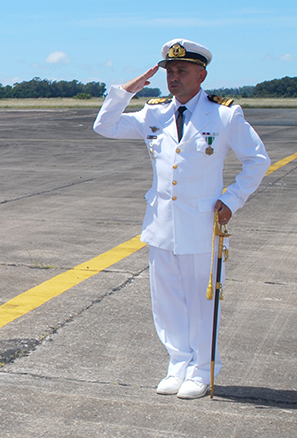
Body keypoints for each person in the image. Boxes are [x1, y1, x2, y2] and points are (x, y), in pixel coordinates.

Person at [93, 38, 270, 399]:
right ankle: (177, 364)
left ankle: (202, 370)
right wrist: (128, 90)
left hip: (202, 225)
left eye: (182, 71)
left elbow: (257, 160)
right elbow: (105, 126)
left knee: (202, 302)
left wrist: (231, 199)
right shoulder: (153, 112)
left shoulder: (223, 114)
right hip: (161, 225)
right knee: (167, 301)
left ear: (201, 74)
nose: (173, 77)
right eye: (170, 71)